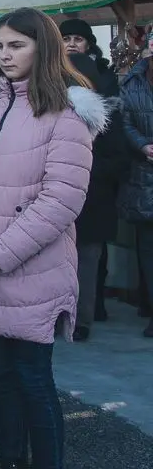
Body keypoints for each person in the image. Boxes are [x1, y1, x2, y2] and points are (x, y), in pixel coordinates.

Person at [0, 7, 103, 469]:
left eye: (18, 45)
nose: (6, 55)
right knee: (0, 384)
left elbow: (62, 200)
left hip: (30, 273)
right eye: (1, 46)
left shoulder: (67, 113)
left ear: (44, 48)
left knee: (33, 383)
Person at [67, 53, 128, 342]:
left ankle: (81, 320)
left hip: (93, 199)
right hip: (57, 200)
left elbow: (119, 159)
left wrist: (85, 169)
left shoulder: (106, 114)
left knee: (86, 263)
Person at [120, 29, 153, 337]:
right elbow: (125, 120)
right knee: (149, 251)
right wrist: (143, 145)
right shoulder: (132, 82)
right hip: (145, 176)